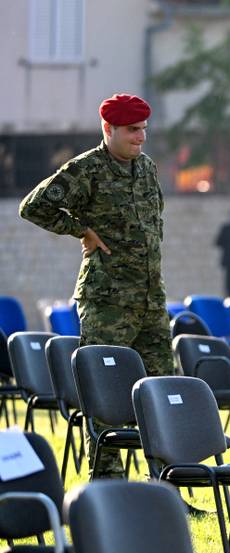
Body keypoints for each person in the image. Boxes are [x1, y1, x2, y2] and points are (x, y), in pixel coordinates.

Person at [19, 93, 175, 479]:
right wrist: (81, 230)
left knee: (163, 390)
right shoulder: (86, 169)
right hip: (107, 300)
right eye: (132, 130)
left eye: (143, 130)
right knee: (107, 389)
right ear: (108, 129)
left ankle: (166, 481)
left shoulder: (147, 168)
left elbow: (155, 221)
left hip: (150, 299)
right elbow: (34, 206)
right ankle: (107, 481)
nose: (140, 138)